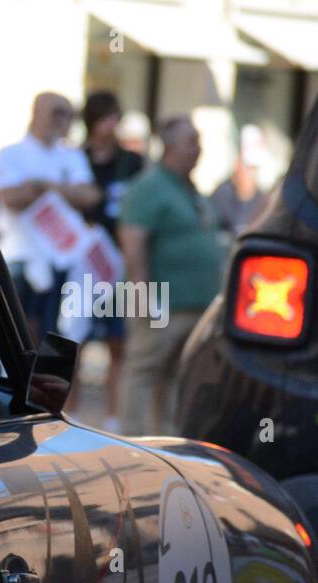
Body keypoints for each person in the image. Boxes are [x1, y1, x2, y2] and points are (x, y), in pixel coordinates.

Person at [117, 115, 225, 435]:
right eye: (192, 142)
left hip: (194, 305)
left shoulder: (188, 188)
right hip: (163, 303)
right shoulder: (149, 186)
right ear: (172, 147)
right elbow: (133, 244)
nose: (198, 149)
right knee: (143, 371)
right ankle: (131, 441)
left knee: (176, 377)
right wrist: (142, 296)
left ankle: (165, 441)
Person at [0, 93, 101, 343]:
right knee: (15, 335)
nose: (63, 120)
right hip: (18, 256)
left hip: (60, 259)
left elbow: (90, 196)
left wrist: (41, 187)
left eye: (68, 114)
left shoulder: (72, 156)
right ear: (37, 114)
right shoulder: (11, 153)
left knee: (53, 336)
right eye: (57, 112)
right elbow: (11, 198)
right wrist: (62, 191)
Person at [80, 91, 144, 431]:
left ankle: (113, 416)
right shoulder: (78, 159)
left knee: (118, 341)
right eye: (107, 118)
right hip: (83, 262)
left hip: (118, 263)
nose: (112, 126)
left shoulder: (132, 162)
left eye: (115, 119)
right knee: (73, 338)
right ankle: (71, 412)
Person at [211, 124, 268, 236]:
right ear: (237, 162)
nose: (252, 174)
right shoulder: (222, 194)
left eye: (255, 169)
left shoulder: (261, 198)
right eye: (249, 167)